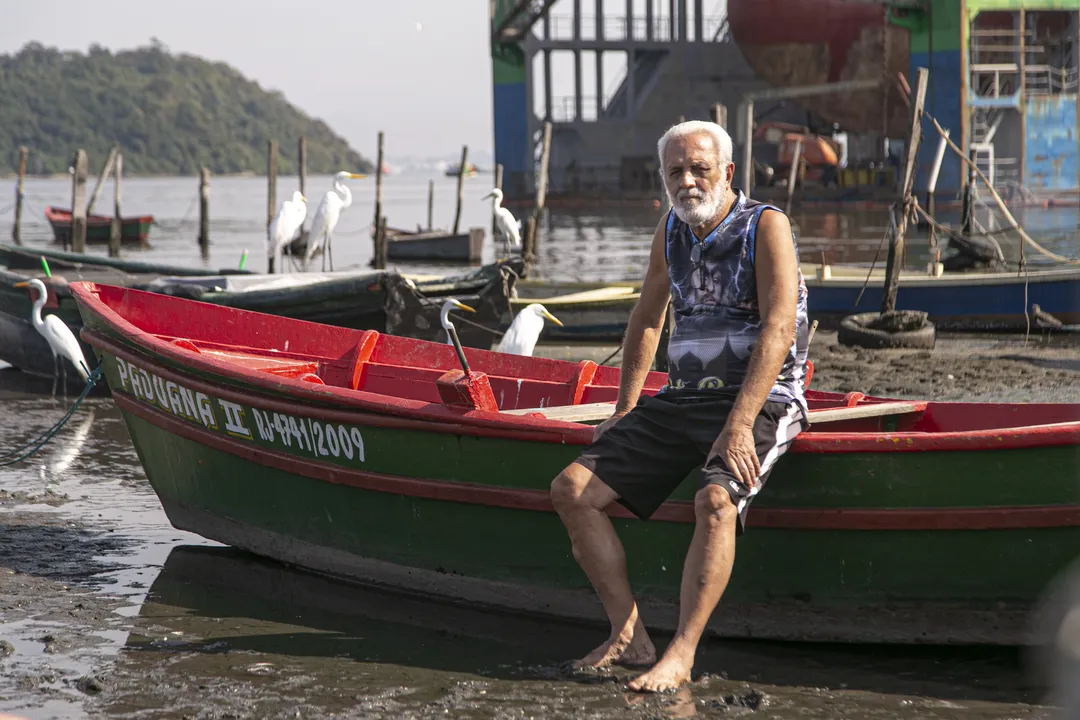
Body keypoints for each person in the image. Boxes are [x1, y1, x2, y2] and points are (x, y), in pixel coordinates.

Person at [549, 120, 810, 693]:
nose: (687, 182)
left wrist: (740, 425)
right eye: (675, 172)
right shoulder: (670, 229)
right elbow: (646, 319)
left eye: (700, 169)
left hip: (763, 398)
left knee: (716, 499)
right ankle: (629, 634)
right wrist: (624, 408)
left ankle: (682, 654)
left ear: (729, 173)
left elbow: (779, 327)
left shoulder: (766, 226)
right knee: (571, 490)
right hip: (682, 399)